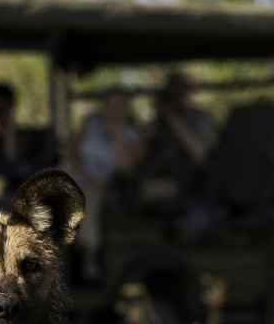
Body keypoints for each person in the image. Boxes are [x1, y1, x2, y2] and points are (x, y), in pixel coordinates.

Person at [70, 89, 144, 276]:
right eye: (111, 105)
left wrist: (117, 133)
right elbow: (75, 151)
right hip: (80, 174)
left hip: (108, 181)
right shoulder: (91, 123)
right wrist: (82, 171)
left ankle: (90, 256)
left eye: (119, 106)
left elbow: (126, 165)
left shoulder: (131, 133)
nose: (114, 110)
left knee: (88, 199)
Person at [143, 71, 218, 198]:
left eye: (180, 90)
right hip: (159, 181)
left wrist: (172, 118)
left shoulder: (200, 117)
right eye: (171, 90)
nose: (176, 95)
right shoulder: (157, 122)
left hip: (193, 184)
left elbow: (203, 156)